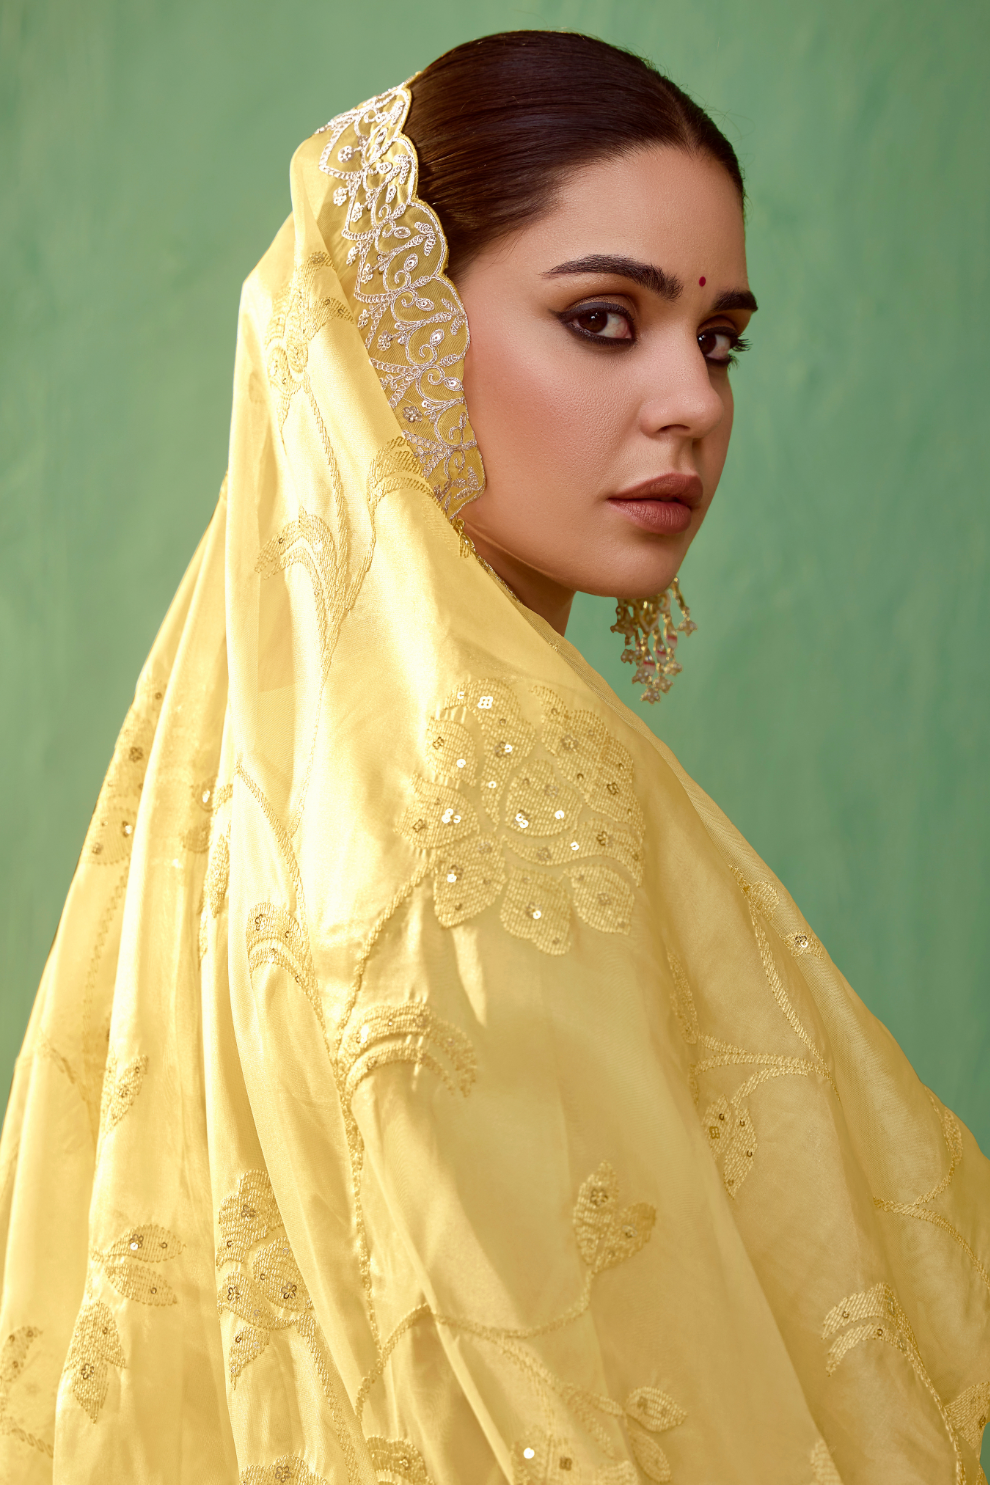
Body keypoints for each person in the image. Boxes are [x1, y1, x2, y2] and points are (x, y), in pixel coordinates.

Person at [0, 30, 987, 1484]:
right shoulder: (476, 805)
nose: (693, 402)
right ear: (391, 333)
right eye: (603, 319)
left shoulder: (312, 770)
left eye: (717, 340)